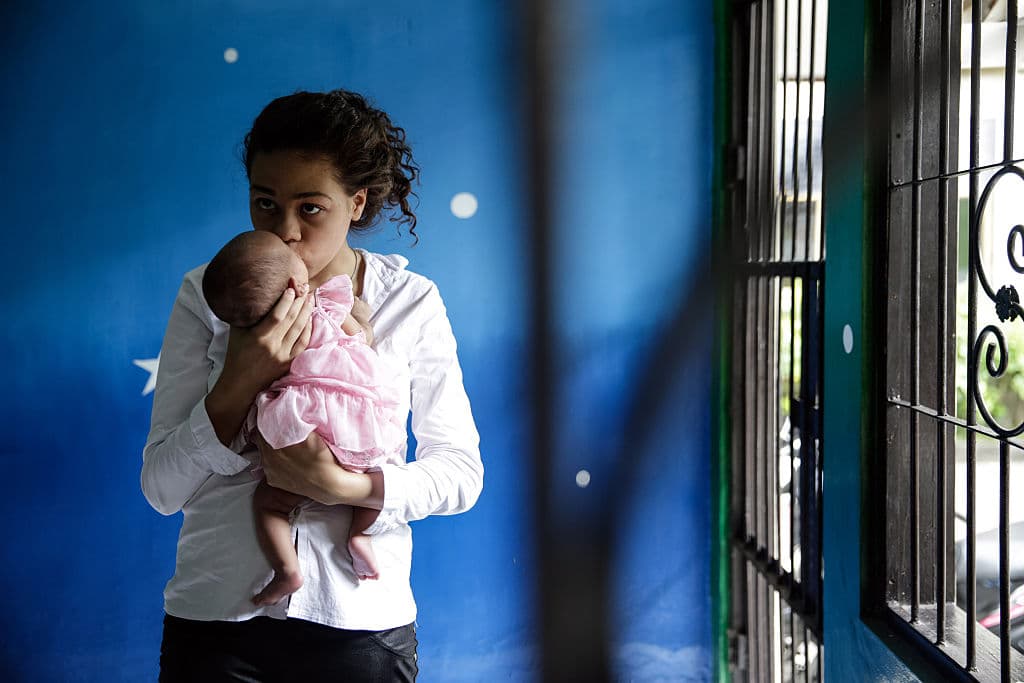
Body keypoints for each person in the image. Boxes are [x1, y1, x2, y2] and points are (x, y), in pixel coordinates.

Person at [141, 89, 483, 682]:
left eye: (311, 208)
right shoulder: (209, 294)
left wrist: (347, 485)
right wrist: (242, 377)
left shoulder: (409, 302)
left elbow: (460, 473)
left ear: (357, 202)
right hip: (215, 624)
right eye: (265, 203)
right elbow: (161, 489)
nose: (287, 230)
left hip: (360, 625)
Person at [201, 230, 407, 603]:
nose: (291, 237)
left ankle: (287, 570)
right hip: (353, 422)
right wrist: (361, 329)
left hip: (302, 420)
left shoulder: (261, 334)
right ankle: (360, 534)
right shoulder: (325, 303)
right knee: (378, 480)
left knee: (269, 501)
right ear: (297, 283)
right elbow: (359, 334)